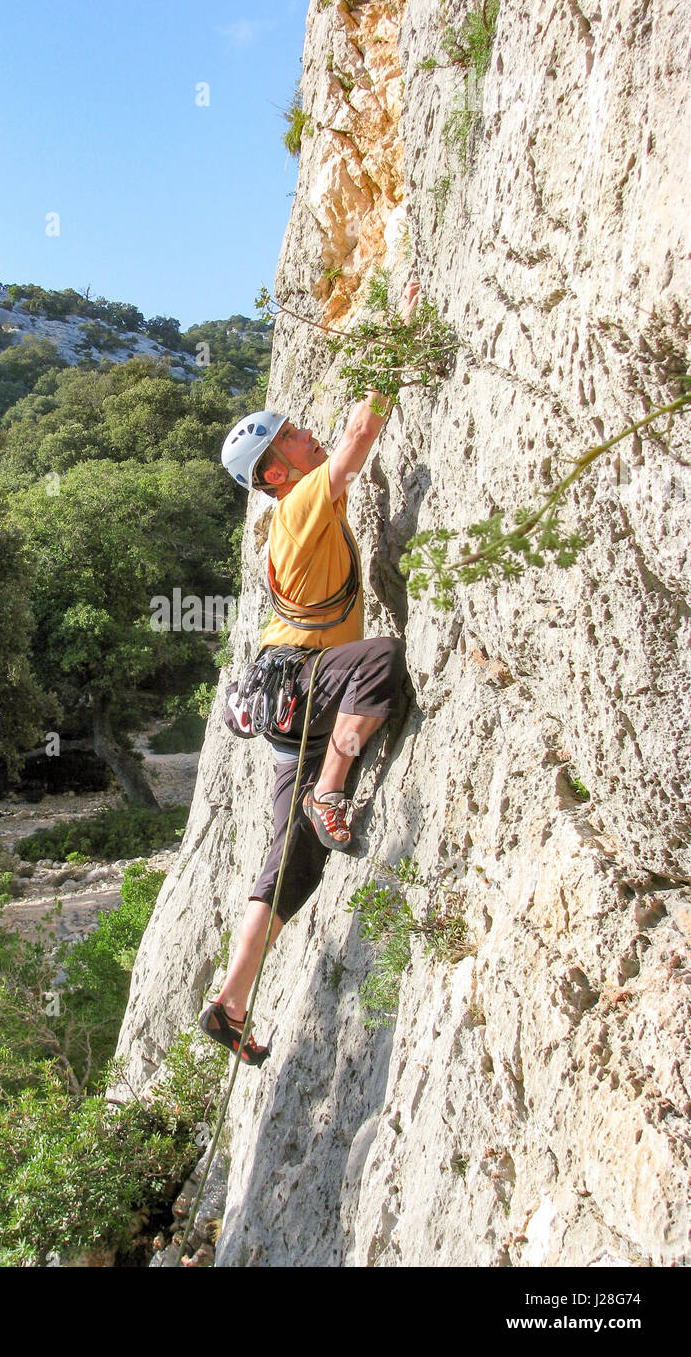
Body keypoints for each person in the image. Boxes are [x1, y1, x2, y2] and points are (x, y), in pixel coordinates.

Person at [198, 281, 419, 1065]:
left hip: (290, 700)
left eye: (297, 425)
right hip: (304, 684)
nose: (307, 432)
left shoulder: (292, 516)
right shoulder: (296, 510)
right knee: (384, 659)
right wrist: (398, 340)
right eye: (292, 434)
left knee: (295, 856)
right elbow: (360, 436)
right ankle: (333, 789)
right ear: (276, 471)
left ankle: (230, 997)